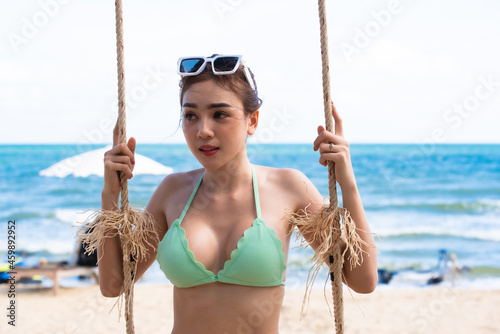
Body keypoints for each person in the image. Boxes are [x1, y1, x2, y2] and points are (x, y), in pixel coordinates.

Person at [97, 54, 377, 333]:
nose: (203, 131)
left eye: (219, 114)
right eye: (190, 115)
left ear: (252, 120)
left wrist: (348, 184)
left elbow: (362, 281)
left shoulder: (288, 187)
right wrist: (109, 196)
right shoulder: (172, 192)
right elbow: (113, 285)